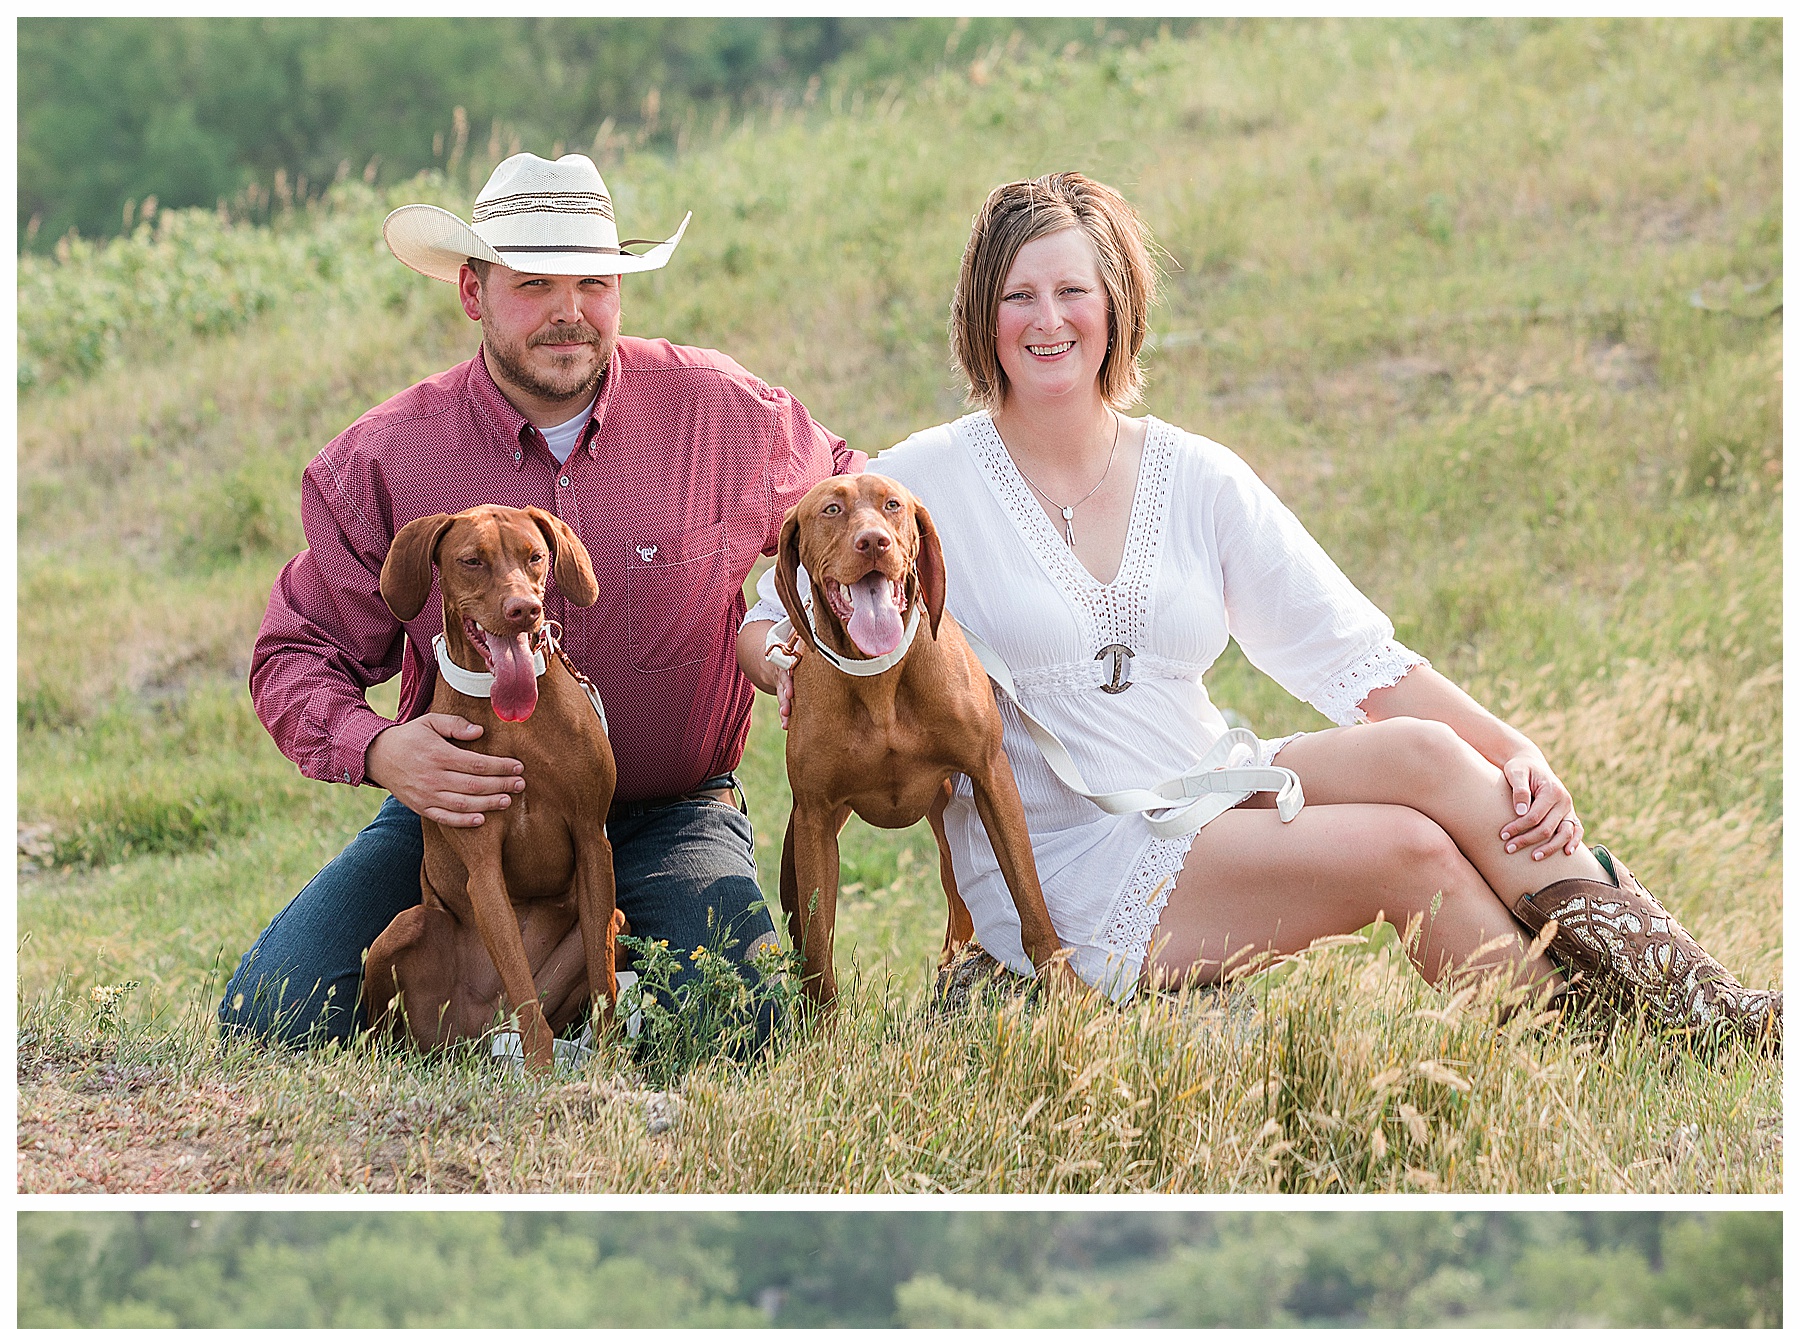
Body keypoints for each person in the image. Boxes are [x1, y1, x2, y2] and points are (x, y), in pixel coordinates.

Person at [742, 172, 1777, 1038]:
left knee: (1428, 758)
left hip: (1203, 781)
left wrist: (1521, 751)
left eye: (1073, 291)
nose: (1048, 321)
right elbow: (783, 592)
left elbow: (1360, 658)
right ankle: (1596, 1053)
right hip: (1073, 857)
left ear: (1118, 306)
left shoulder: (1197, 474)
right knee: (1401, 850)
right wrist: (776, 652)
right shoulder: (928, 477)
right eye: (1019, 296)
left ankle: (1702, 1008)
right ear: (983, 315)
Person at [223, 150, 860, 1055]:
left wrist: (778, 618)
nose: (571, 311)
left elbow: (855, 495)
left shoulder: (723, 414)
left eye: (594, 282)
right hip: (460, 809)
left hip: (665, 810)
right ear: (474, 293)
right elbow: (296, 653)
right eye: (534, 285)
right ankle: (563, 1003)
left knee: (749, 1024)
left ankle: (604, 991)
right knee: (269, 1017)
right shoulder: (384, 459)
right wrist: (380, 748)